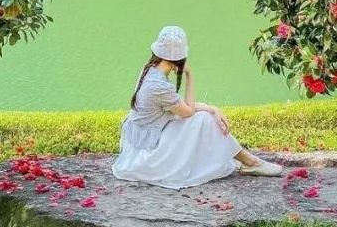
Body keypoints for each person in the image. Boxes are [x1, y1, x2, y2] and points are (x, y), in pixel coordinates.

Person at [112, 26, 282, 189]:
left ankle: (247, 160)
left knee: (206, 116)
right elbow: (189, 111)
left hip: (141, 143)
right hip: (148, 155)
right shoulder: (158, 86)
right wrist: (189, 75)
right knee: (204, 120)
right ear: (179, 59)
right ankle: (249, 161)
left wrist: (212, 108)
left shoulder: (149, 69)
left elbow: (178, 106)